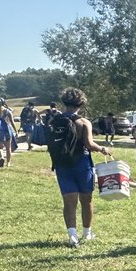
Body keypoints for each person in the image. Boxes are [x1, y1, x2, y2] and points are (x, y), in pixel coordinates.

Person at [49, 87, 111, 247]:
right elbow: (89, 145)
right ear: (81, 104)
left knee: (69, 202)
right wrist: (102, 149)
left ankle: (72, 236)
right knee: (86, 200)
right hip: (82, 164)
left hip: (62, 164)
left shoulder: (55, 120)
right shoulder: (84, 122)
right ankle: (87, 232)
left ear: (64, 102)